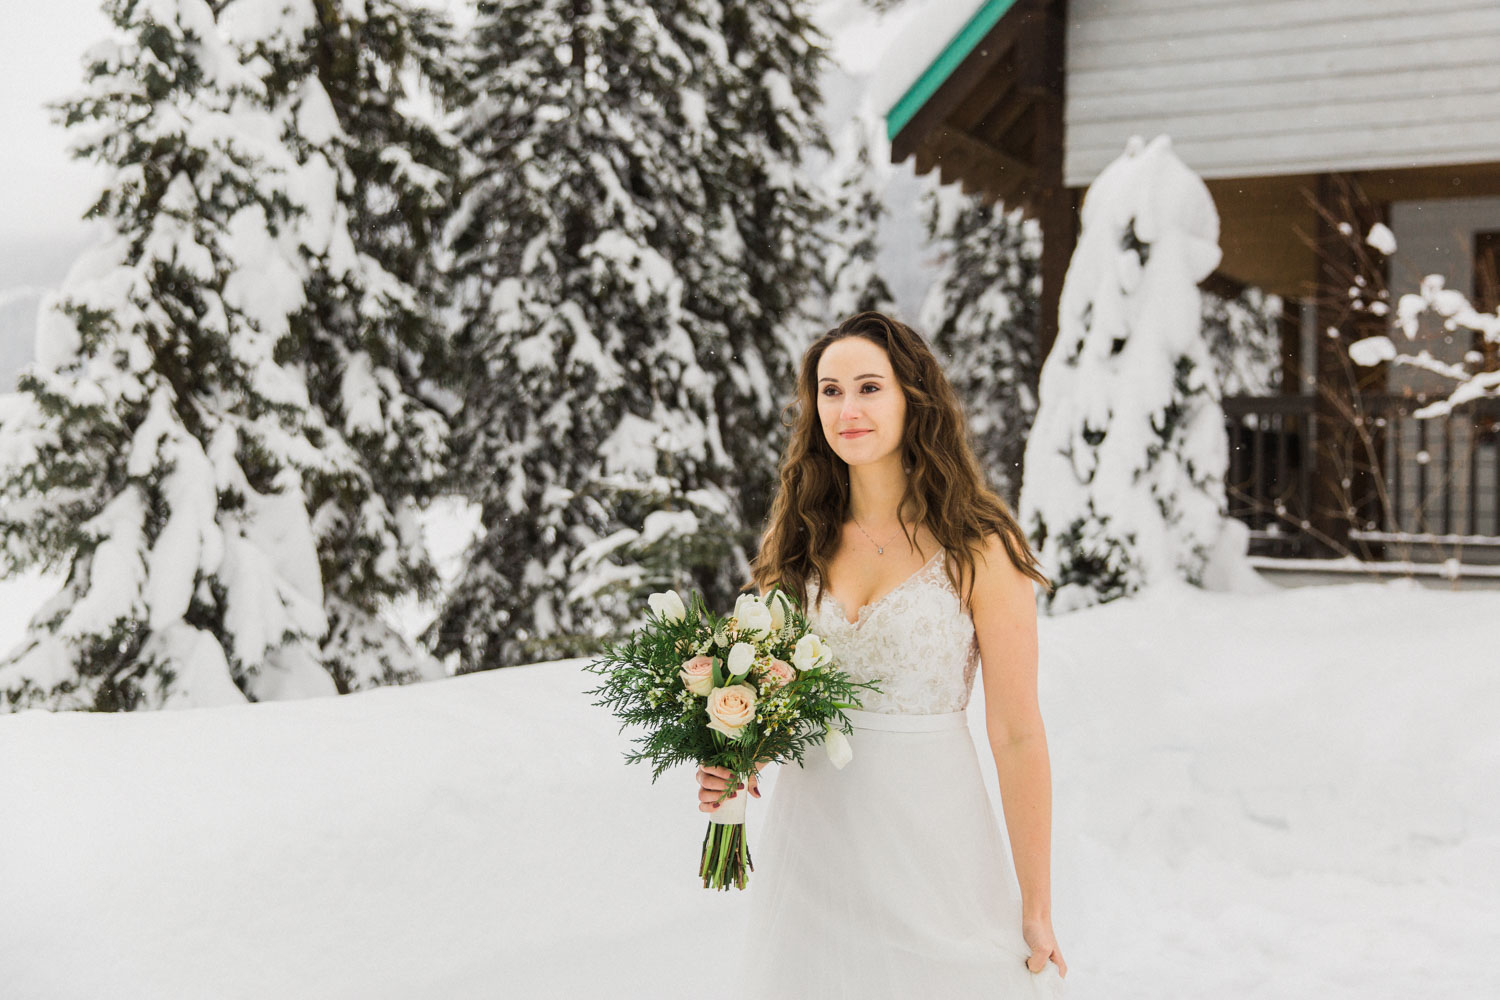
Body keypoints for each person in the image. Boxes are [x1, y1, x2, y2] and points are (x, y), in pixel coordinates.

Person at [695, 311, 1067, 997]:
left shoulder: (981, 546)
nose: (847, 409)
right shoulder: (797, 543)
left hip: (932, 842)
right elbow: (768, 698)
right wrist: (732, 758)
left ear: (912, 399)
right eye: (830, 391)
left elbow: (1017, 734)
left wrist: (1037, 906)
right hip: (814, 848)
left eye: (869, 387)